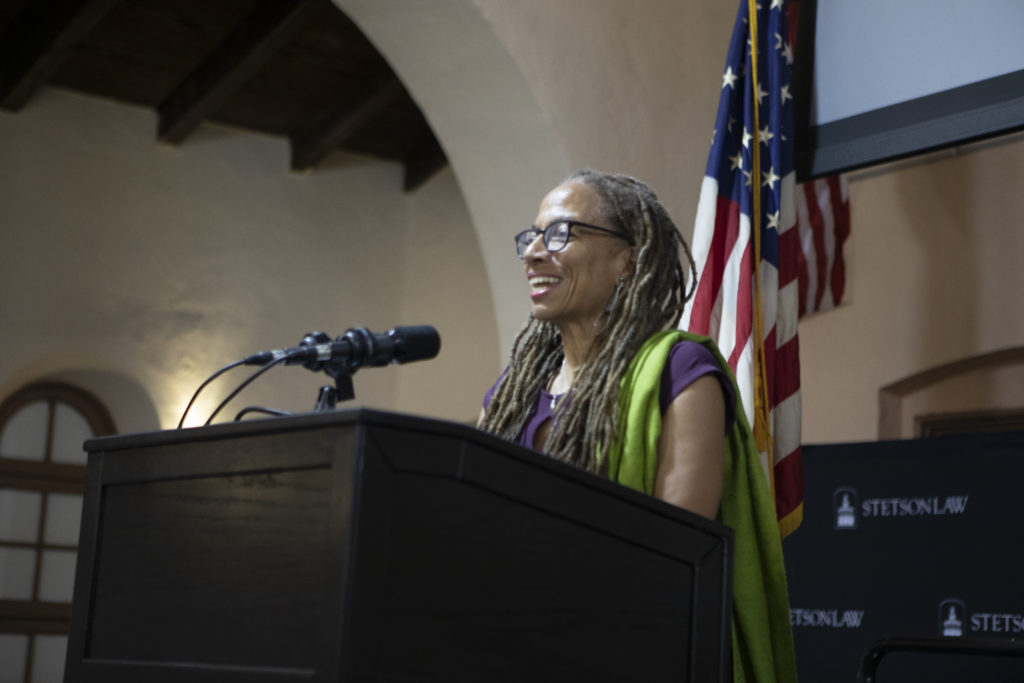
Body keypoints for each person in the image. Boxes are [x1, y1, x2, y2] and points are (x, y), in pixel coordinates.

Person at [478, 169, 797, 683]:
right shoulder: (511, 395)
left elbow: (672, 552)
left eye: (560, 233)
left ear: (628, 258)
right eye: (532, 237)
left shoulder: (680, 372)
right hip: (515, 648)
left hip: (631, 653)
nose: (535, 252)